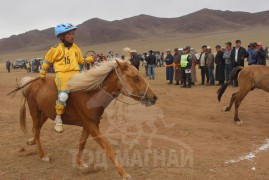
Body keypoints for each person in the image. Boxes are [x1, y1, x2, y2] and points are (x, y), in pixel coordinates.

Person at [40, 23, 94, 133]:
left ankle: (90, 113)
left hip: (76, 74)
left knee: (89, 89)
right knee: (64, 95)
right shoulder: (55, 49)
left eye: (73, 34)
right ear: (61, 37)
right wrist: (43, 72)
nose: (72, 36)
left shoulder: (76, 48)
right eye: (69, 34)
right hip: (63, 75)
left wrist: (89, 59)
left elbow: (80, 61)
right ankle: (58, 119)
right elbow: (47, 60)